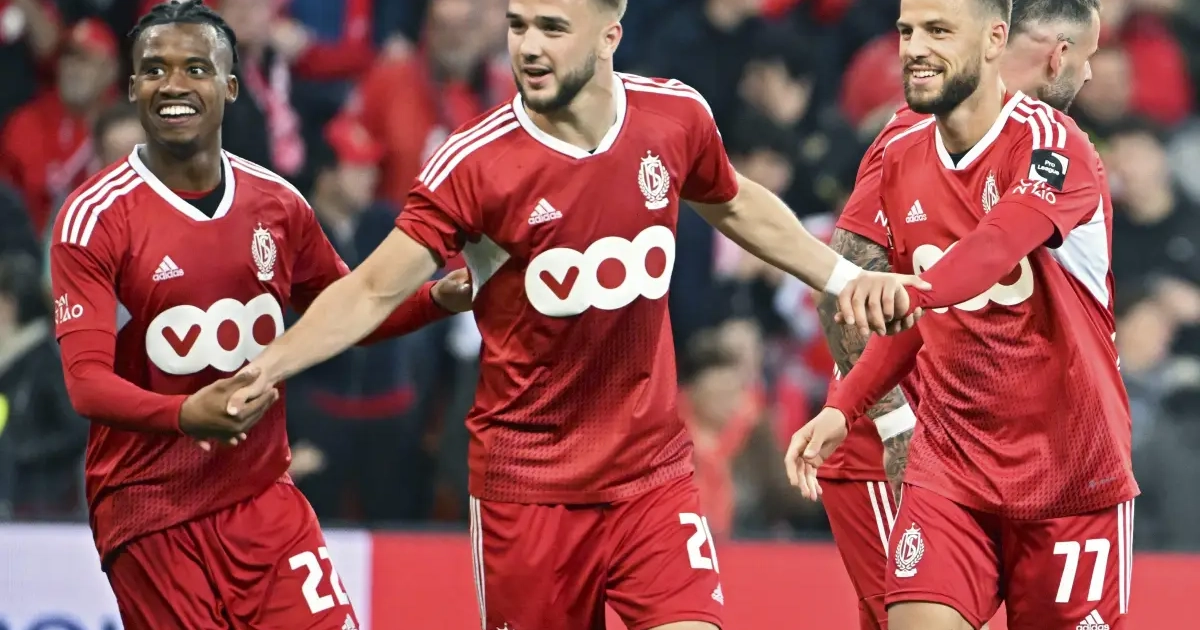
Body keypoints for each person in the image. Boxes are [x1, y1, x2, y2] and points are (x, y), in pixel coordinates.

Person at [220, 0, 922, 628]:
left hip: (651, 472)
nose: (529, 46)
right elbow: (372, 289)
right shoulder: (475, 162)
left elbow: (734, 203)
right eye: (519, 25)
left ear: (609, 35)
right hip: (530, 490)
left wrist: (845, 277)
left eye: (553, 28)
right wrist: (269, 366)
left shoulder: (673, 117)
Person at [48, 2, 468, 628]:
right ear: (132, 87)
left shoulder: (278, 204)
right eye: (155, 70)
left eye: (196, 68)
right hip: (152, 511)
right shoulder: (95, 217)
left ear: (231, 85)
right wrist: (185, 415)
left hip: (264, 498)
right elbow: (86, 384)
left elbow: (346, 312)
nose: (174, 85)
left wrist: (436, 298)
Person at [790, 0, 1138, 626]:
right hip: (951, 466)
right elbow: (918, 322)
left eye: (938, 31)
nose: (915, 48)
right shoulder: (900, 153)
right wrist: (845, 407)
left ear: (994, 40)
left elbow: (995, 246)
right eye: (907, 31)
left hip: (1069, 471)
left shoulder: (1054, 143)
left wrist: (908, 292)